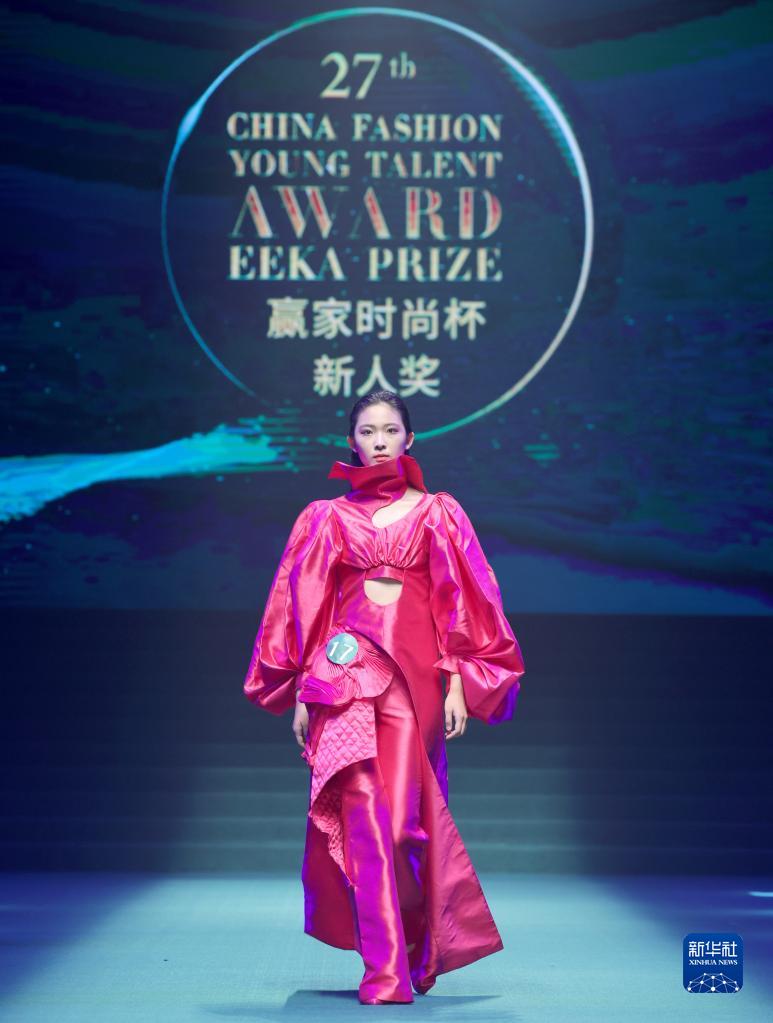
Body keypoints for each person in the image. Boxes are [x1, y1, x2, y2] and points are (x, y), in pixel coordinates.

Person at [243, 390, 525, 1004]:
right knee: (365, 822)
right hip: (344, 679)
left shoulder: (439, 513)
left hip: (416, 682)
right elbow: (304, 607)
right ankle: (384, 969)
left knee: (405, 826)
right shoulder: (325, 517)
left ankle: (420, 944)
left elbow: (462, 603)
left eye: (390, 430)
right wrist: (303, 691)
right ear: (351, 441)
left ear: (409, 439)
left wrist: (458, 681)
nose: (378, 441)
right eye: (367, 431)